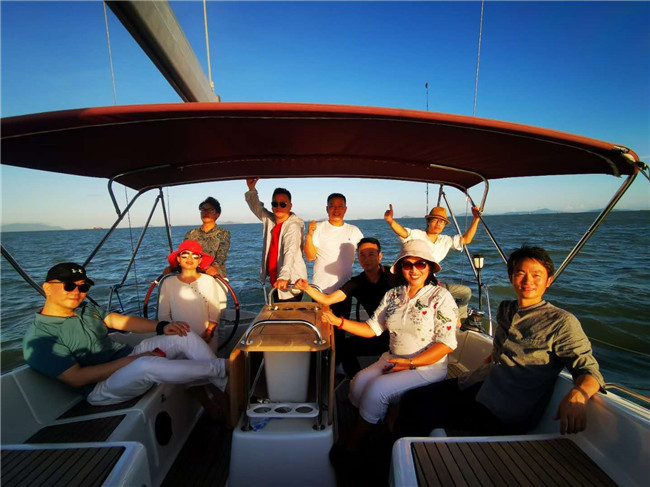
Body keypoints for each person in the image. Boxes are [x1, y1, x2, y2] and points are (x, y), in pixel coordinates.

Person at [394, 245, 605, 438]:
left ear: (549, 280)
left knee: (424, 415)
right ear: (511, 277)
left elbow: (589, 370)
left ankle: (398, 453)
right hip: (480, 384)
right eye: (520, 273)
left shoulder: (561, 322)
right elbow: (500, 351)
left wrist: (578, 394)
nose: (528, 281)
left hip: (505, 409)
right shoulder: (506, 308)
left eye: (536, 275)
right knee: (411, 398)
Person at [322, 240, 458, 469]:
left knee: (377, 390)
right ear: (400, 267)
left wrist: (410, 363)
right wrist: (338, 322)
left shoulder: (440, 297)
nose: (414, 269)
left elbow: (446, 344)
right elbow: (372, 328)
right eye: (407, 264)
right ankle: (375, 427)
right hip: (393, 357)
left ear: (429, 267)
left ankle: (353, 447)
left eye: (420, 264)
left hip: (427, 367)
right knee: (357, 383)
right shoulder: (394, 295)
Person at [23, 262, 229, 409]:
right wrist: (134, 359)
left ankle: (228, 386)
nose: (76, 292)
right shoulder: (40, 337)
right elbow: (77, 378)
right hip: (101, 388)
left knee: (182, 333)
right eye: (69, 286)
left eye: (83, 287)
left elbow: (118, 321)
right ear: (47, 288)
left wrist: (163, 326)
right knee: (145, 364)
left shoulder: (85, 309)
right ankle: (226, 367)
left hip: (128, 358)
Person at [295, 237, 399, 376]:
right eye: (362, 255)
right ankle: (355, 377)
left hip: (399, 334)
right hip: (376, 332)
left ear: (380, 256)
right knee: (343, 347)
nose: (367, 259)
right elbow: (327, 300)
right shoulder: (357, 282)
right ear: (358, 258)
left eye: (371, 254)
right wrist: (306, 287)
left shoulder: (395, 277)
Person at [384, 204, 481, 319]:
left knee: (466, 292)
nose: (439, 224)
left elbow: (466, 239)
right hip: (413, 281)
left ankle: (458, 319)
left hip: (433, 283)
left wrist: (476, 219)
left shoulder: (445, 240)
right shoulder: (417, 235)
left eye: (442, 222)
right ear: (428, 221)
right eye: (435, 220)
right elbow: (403, 232)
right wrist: (390, 221)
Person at [158, 240, 227, 354]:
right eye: (185, 255)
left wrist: (209, 331)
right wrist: (174, 331)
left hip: (206, 336)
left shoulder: (209, 281)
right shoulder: (168, 282)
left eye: (195, 256)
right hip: (177, 337)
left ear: (200, 260)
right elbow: (163, 315)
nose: (190, 258)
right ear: (178, 259)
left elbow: (214, 310)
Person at [245, 177, 307, 302]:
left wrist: (284, 277)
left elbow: (290, 252)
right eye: (275, 204)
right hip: (275, 282)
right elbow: (257, 208)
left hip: (290, 283)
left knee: (287, 314)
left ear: (290, 206)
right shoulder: (271, 221)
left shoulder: (293, 226)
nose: (278, 207)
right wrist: (251, 190)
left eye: (283, 204)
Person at [304, 193, 364, 318]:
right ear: (327, 209)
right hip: (320, 291)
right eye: (332, 206)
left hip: (343, 291)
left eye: (340, 206)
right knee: (321, 326)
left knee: (341, 326)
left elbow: (364, 255)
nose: (336, 210)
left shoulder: (354, 231)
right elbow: (310, 257)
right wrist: (309, 235)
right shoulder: (318, 228)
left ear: (345, 209)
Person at [183, 197, 231, 278]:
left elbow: (222, 255)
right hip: (193, 275)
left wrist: (215, 267)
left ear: (217, 215)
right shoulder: (191, 234)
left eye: (210, 210)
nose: (205, 212)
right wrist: (172, 266)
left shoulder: (223, 233)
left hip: (215, 275)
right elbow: (183, 253)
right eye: (203, 210)